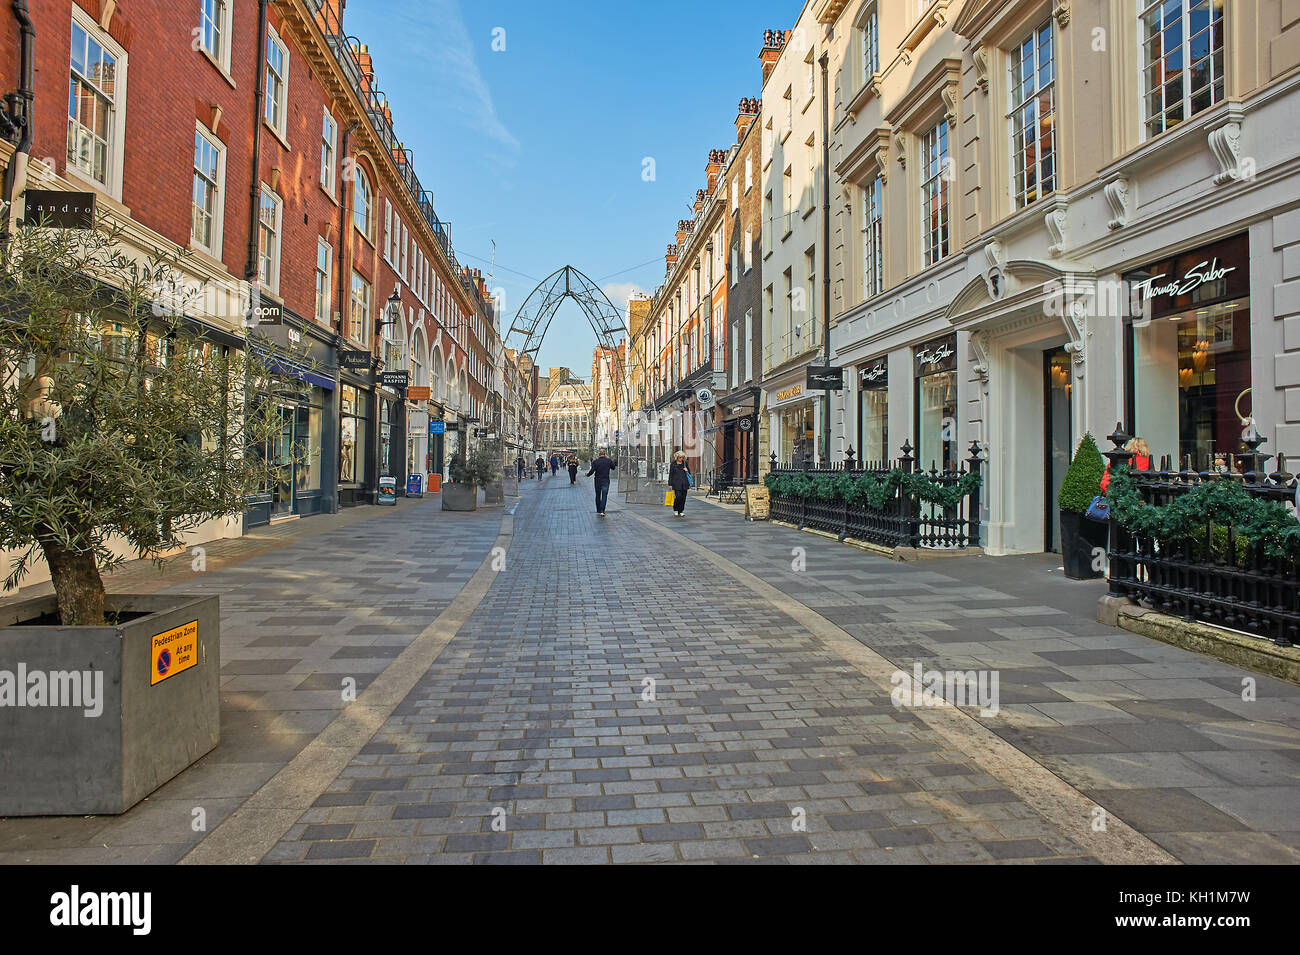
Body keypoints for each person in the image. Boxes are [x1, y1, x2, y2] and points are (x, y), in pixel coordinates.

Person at [586, 448, 614, 516]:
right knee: (604, 495)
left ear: (599, 454)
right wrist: (608, 458)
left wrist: (588, 474)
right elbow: (613, 467)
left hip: (597, 480)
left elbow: (592, 471)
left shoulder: (595, 462)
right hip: (605, 480)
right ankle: (602, 510)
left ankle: (598, 509)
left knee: (598, 495)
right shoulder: (608, 461)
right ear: (605, 454)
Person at [668, 450, 691, 517]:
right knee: (678, 497)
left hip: (684, 483)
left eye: (682, 457)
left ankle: (681, 511)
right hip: (676, 483)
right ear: (677, 457)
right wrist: (670, 484)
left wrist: (687, 470)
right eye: (680, 457)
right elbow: (671, 474)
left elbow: (688, 472)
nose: (681, 459)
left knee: (683, 498)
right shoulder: (673, 464)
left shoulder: (684, 463)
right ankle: (676, 509)